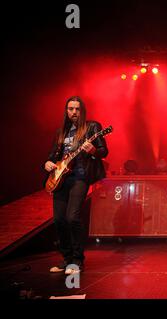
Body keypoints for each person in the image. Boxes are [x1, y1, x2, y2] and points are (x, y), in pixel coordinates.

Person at [44, 96, 108, 275]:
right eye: (71, 109)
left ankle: (77, 261)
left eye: (77, 109)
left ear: (82, 111)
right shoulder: (61, 132)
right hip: (60, 180)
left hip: (80, 177)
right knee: (59, 220)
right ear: (66, 111)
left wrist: (94, 150)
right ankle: (67, 259)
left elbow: (104, 151)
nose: (74, 112)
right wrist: (48, 163)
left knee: (72, 217)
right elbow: (52, 156)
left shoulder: (92, 127)